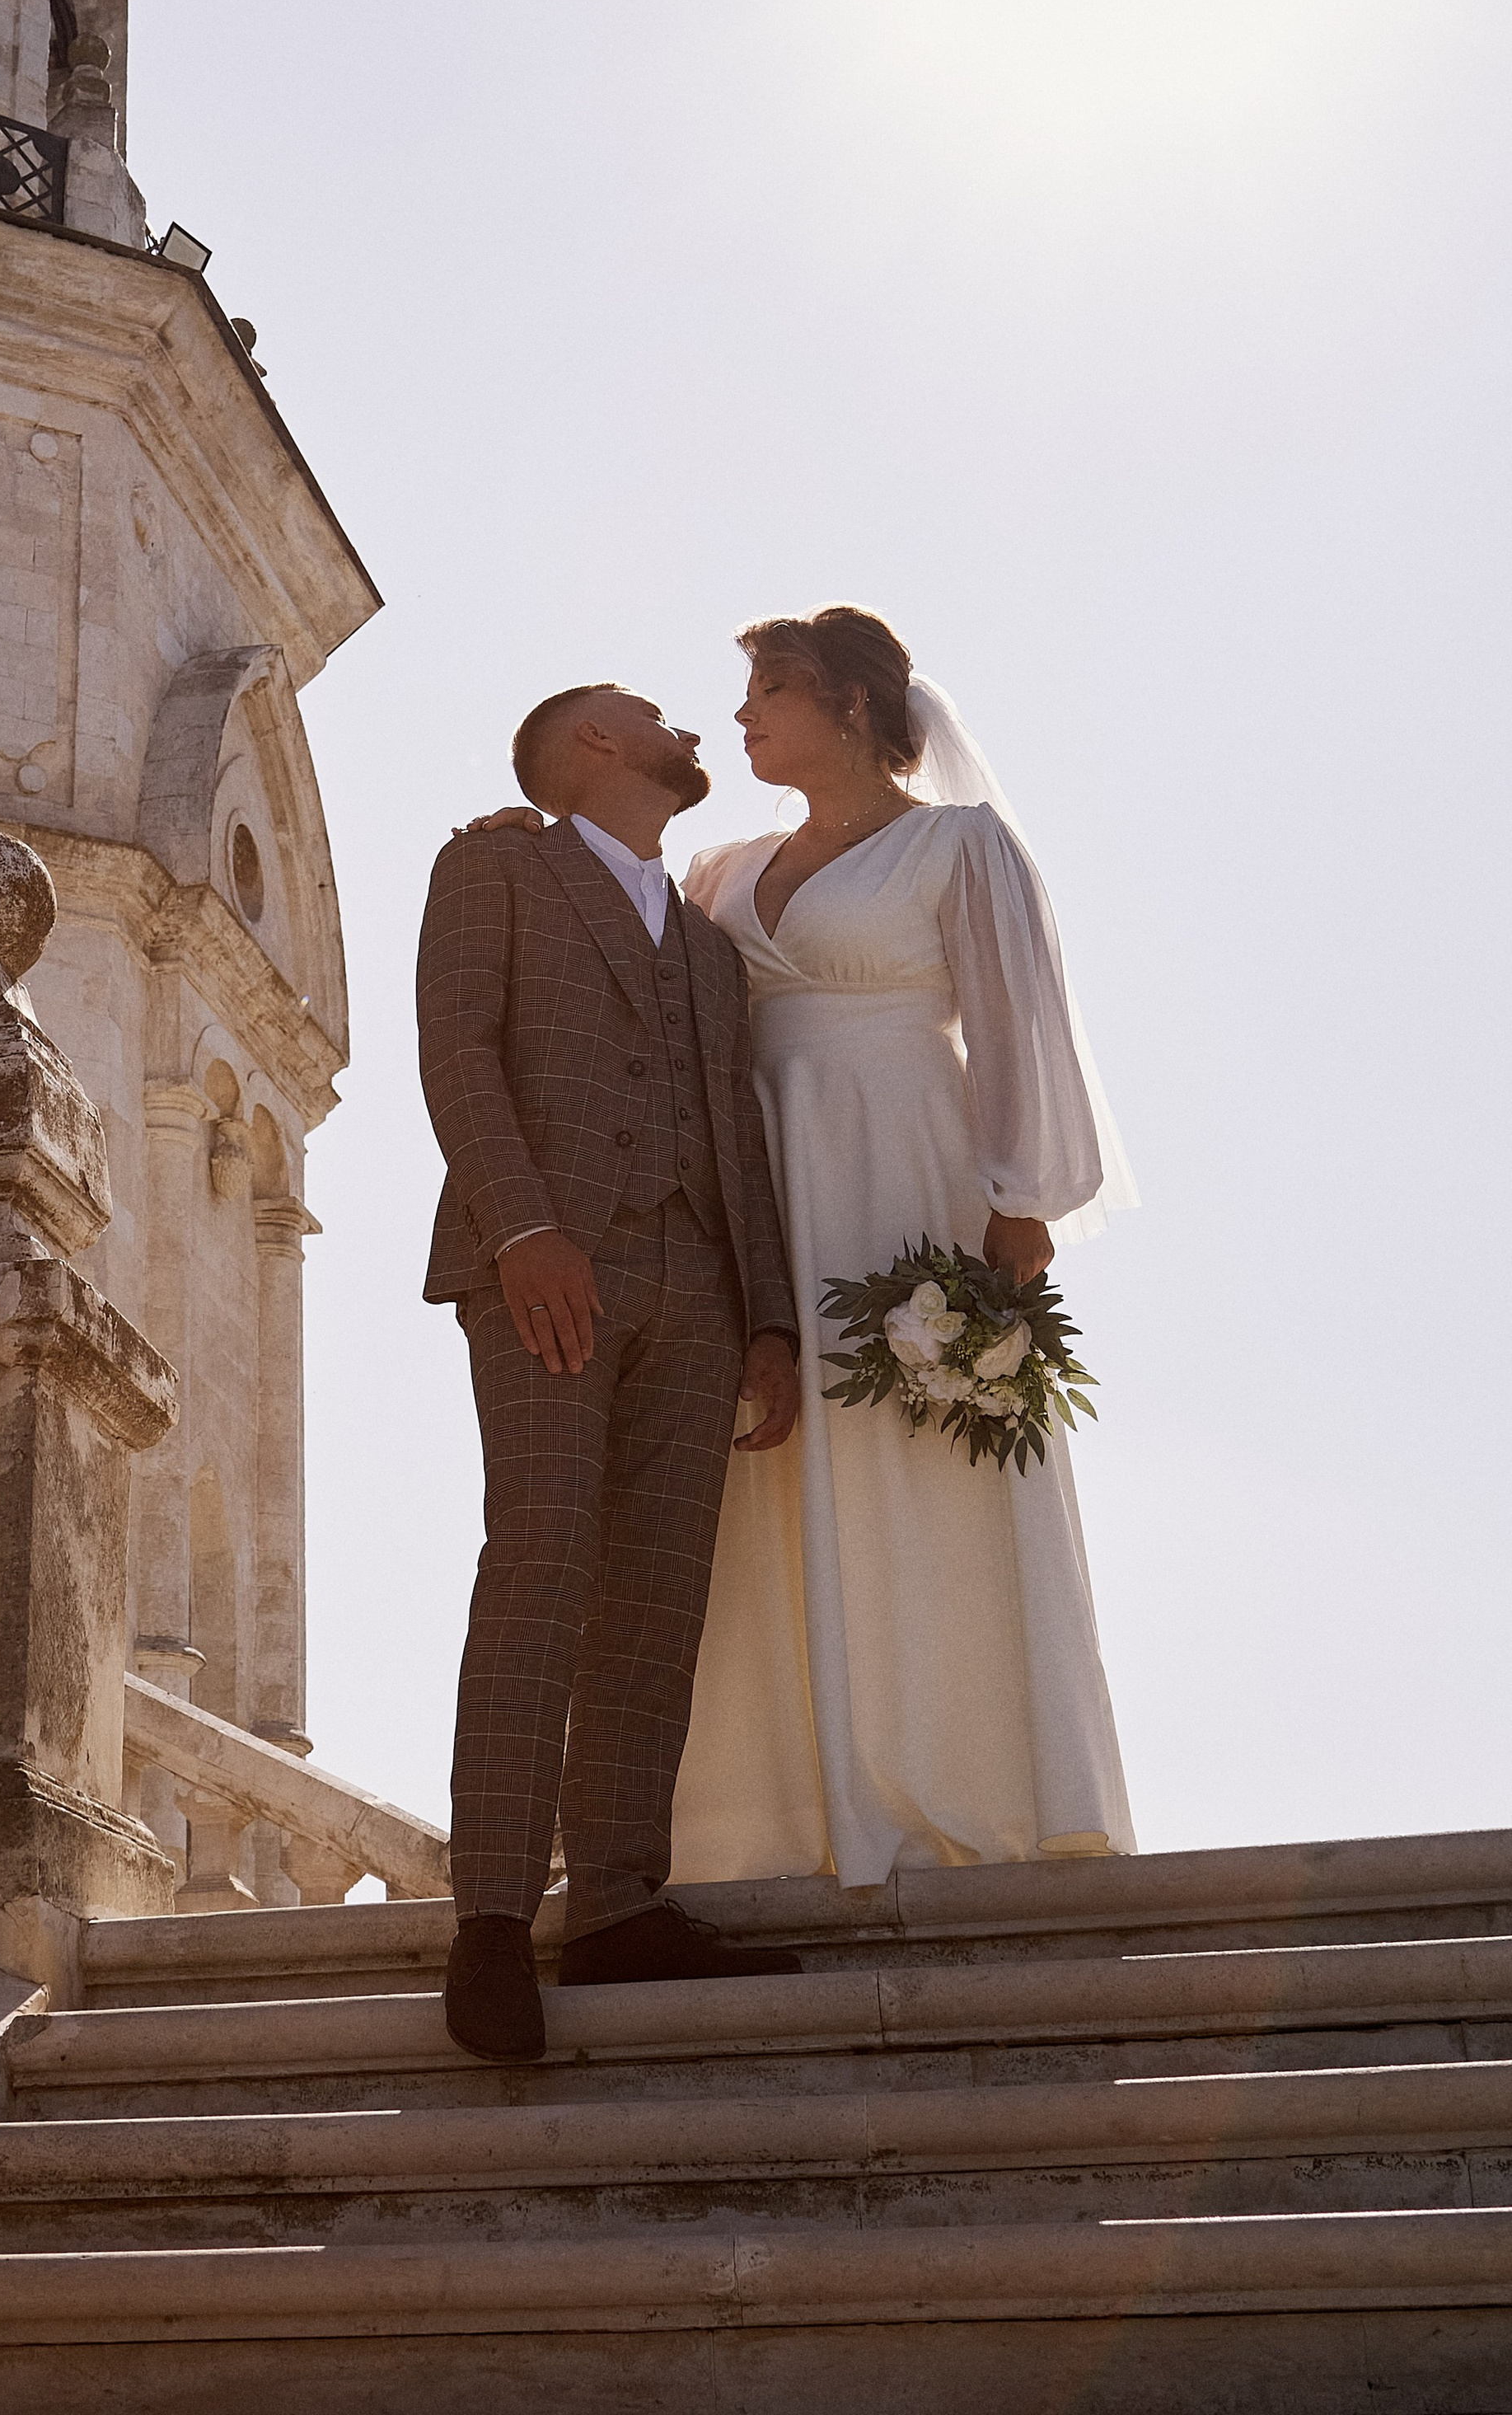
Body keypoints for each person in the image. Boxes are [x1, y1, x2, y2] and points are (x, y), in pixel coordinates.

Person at [470, 608, 1135, 1891]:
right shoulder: (721, 867)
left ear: (851, 706)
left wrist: (1019, 1205)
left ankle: (960, 1780)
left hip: (906, 1172)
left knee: (918, 1457)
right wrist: (527, 837)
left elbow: (1019, 1029)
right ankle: (768, 1815)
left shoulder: (960, 847)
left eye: (771, 690)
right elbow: (623, 924)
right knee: (759, 1484)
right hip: (757, 1201)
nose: (742, 715)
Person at [418, 683, 808, 2061]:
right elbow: (457, 1050)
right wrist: (524, 1227)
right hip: (542, 1269)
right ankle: (491, 1922)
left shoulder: (706, 949)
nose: (693, 731)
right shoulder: (493, 864)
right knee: (540, 1561)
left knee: (660, 1591)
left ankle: (620, 1904)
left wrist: (766, 1318)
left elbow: (736, 1133)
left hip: (696, 1292)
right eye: (657, 713)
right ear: (592, 743)